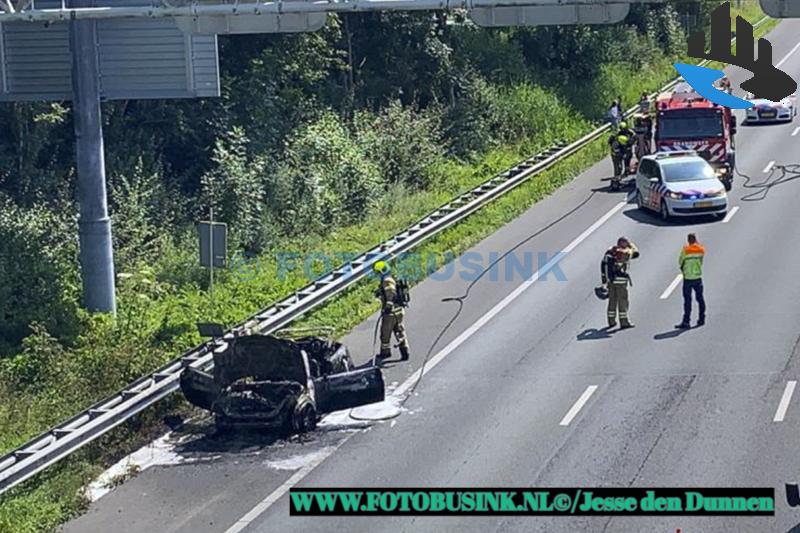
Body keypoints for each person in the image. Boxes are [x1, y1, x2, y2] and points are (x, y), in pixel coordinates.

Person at [373, 260, 410, 360]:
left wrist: (388, 306)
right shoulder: (392, 278)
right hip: (398, 311)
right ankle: (405, 351)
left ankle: (385, 352)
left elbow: (391, 293)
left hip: (391, 313)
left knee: (385, 333)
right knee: (399, 331)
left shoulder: (386, 280)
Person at [601, 236, 640, 329]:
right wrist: (631, 245)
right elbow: (636, 253)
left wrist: (605, 281)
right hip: (621, 282)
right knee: (622, 301)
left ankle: (611, 321)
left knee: (612, 301)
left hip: (611, 281)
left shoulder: (610, 252)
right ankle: (624, 322)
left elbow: (603, 265)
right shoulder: (625, 253)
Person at [676, 233, 706, 329]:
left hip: (688, 278)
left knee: (687, 301)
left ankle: (686, 322)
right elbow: (701, 261)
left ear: (688, 240)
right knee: (700, 299)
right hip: (697, 277)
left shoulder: (686, 250)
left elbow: (680, 261)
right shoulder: (701, 249)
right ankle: (701, 319)